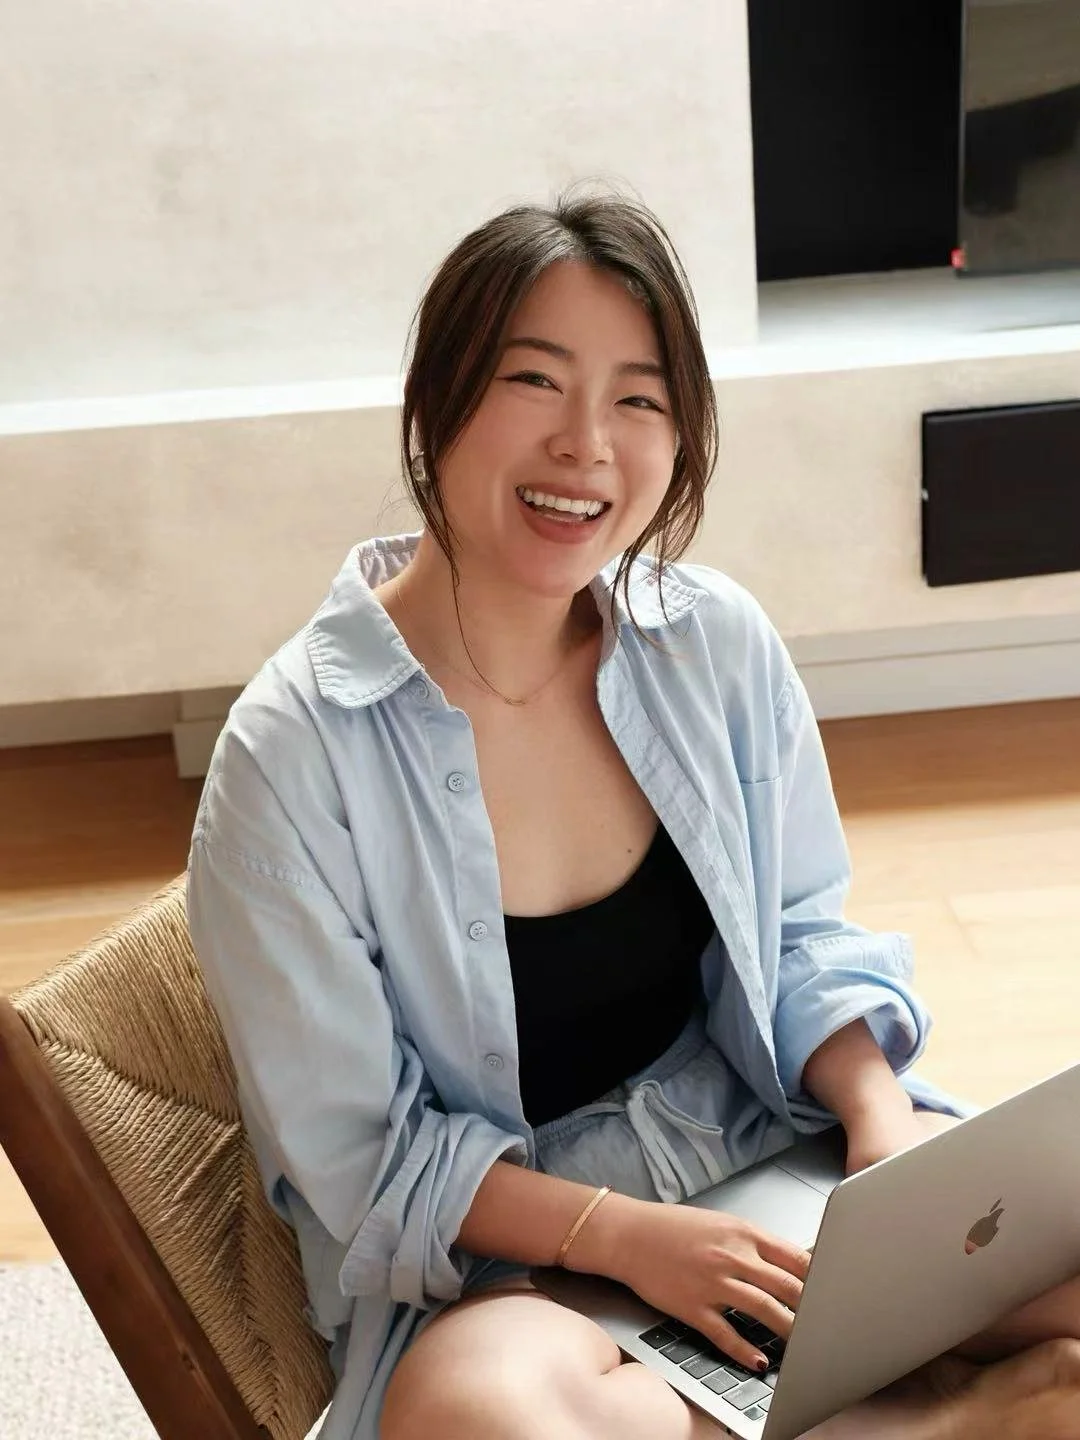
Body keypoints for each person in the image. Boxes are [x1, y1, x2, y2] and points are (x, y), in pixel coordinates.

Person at [186, 192, 1080, 1440]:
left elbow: (801, 935)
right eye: (535, 382)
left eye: (639, 399)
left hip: (762, 1140)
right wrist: (631, 1239)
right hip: (520, 1256)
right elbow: (365, 1158)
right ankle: (954, 1421)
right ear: (437, 400)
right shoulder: (291, 755)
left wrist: (880, 1126)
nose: (586, 445)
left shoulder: (711, 642)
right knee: (476, 1412)